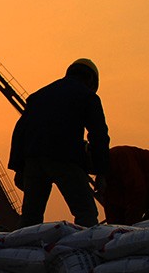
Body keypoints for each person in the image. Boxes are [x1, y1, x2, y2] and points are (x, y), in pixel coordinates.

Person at [8, 58, 110, 228]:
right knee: (86, 213)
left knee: (30, 219)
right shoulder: (88, 97)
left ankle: (23, 252)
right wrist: (101, 172)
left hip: (33, 160)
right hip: (65, 158)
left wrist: (19, 167)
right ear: (91, 80)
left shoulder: (38, 96)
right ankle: (85, 252)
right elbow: (99, 136)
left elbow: (19, 132)